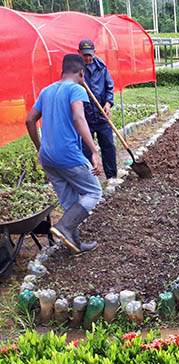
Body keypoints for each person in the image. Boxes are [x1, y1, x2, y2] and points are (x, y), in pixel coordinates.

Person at [25, 54, 103, 254]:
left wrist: (39, 148)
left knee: (69, 201)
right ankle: (64, 227)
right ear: (81, 73)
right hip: (67, 154)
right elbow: (79, 118)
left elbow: (29, 120)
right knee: (94, 192)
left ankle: (74, 244)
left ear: (61, 72)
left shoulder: (46, 90)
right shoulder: (76, 88)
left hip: (48, 156)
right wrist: (94, 151)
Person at [78, 39, 117, 179]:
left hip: (102, 115)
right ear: (79, 53)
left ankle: (111, 176)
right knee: (86, 149)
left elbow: (109, 87)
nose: (87, 58)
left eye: (90, 55)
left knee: (108, 146)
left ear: (94, 53)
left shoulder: (102, 67)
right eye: (84, 55)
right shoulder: (75, 70)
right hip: (85, 117)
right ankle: (90, 179)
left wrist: (108, 103)